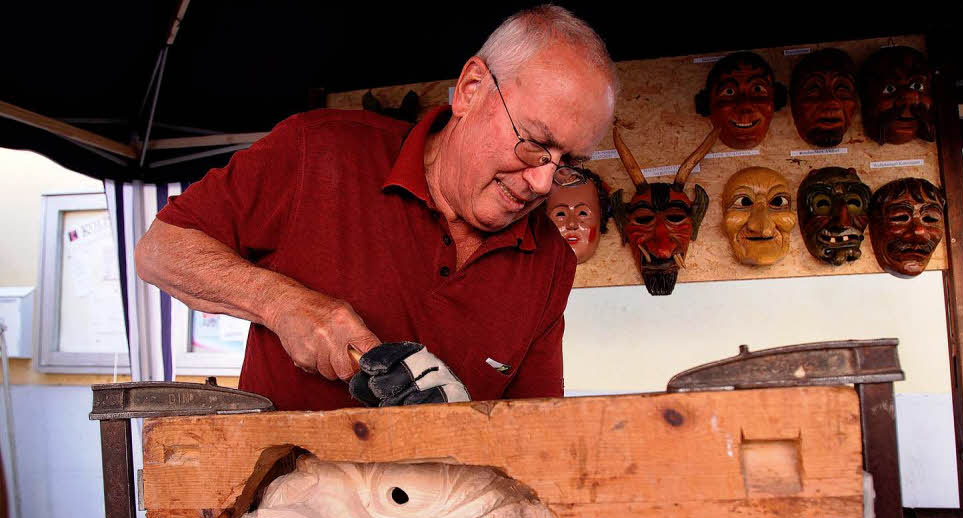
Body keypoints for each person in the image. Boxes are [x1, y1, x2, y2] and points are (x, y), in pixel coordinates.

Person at [135, 6, 617, 411]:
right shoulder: (318, 151)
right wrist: (282, 303)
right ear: (471, 89)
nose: (542, 182)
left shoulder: (550, 262)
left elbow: (532, 425)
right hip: (291, 511)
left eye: (568, 162)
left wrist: (465, 420)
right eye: (534, 144)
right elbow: (160, 251)